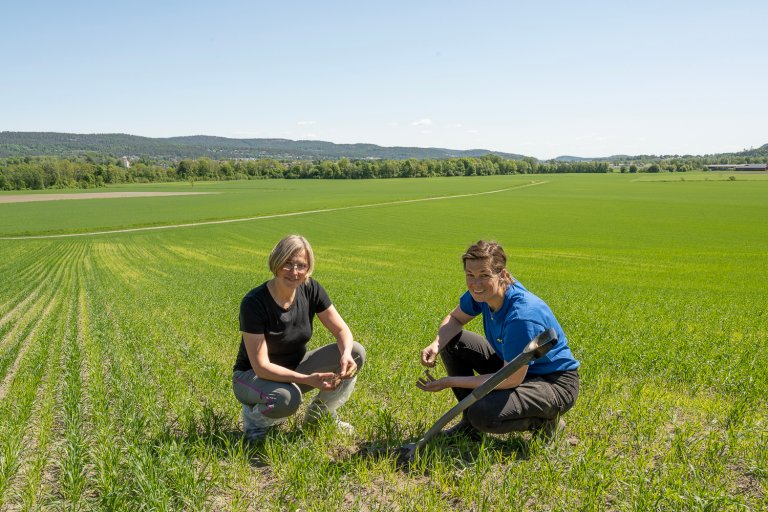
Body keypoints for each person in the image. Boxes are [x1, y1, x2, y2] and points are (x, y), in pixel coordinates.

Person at [417, 240, 579, 440]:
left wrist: (449, 381)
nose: (476, 284)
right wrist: (437, 343)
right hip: (514, 366)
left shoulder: (521, 316)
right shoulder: (484, 294)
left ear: (502, 274)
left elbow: (510, 379)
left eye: (484, 275)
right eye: (470, 275)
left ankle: (546, 422)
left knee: (482, 413)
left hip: (553, 383)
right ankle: (469, 425)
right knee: (451, 342)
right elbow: (455, 318)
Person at [232, 235, 366, 442]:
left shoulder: (311, 289)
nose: (294, 272)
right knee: (287, 399)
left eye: (301, 265)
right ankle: (255, 421)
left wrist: (346, 354)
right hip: (253, 377)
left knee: (356, 352)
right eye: (287, 263)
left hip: (294, 369)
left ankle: (319, 415)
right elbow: (260, 366)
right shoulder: (254, 303)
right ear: (276, 263)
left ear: (308, 268)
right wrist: (306, 380)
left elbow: (342, 331)